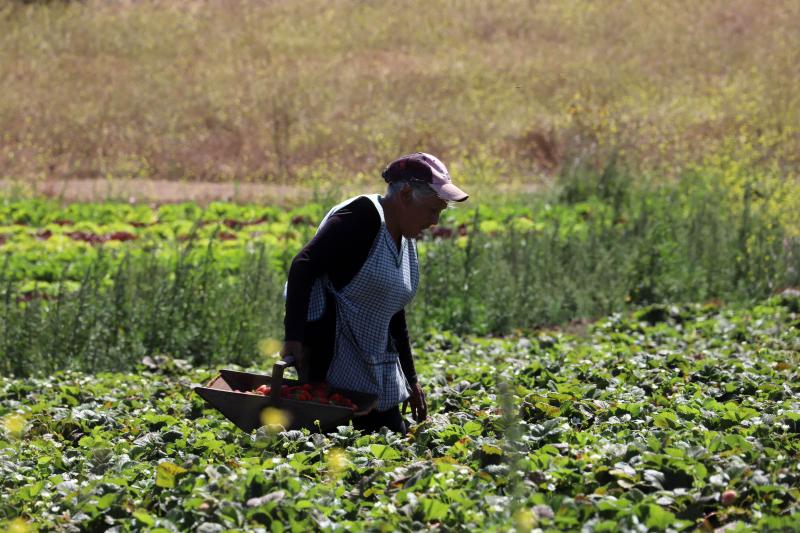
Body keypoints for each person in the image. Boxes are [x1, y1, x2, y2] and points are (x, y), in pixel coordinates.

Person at [281, 152, 469, 434]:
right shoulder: (362, 217)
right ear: (405, 195)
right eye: (433, 210)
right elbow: (303, 266)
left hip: (373, 366)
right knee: (336, 451)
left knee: (391, 441)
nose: (434, 221)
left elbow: (392, 310)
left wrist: (411, 377)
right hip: (331, 362)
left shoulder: (405, 238)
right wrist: (294, 337)